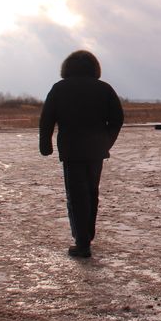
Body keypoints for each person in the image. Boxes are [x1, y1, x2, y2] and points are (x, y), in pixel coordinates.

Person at [39, 50, 124, 259]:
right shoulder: (104, 89)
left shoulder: (59, 89)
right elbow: (117, 119)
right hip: (95, 150)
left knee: (76, 195)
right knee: (91, 193)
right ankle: (87, 235)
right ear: (94, 68)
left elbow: (47, 119)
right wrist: (106, 142)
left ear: (67, 67)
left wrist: (45, 144)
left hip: (71, 150)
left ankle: (83, 242)